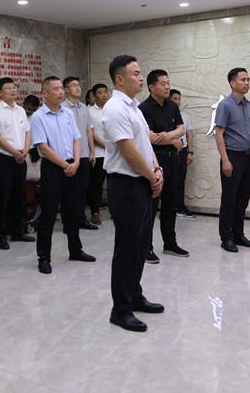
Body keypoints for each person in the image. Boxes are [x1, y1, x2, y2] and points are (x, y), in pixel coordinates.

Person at [101, 55, 164, 332]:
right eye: (136, 73)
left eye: (140, 72)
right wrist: (152, 177)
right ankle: (121, 310)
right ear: (119, 79)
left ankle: (135, 295)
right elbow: (129, 152)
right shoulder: (115, 108)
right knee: (127, 250)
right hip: (127, 185)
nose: (141, 77)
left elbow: (145, 145)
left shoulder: (134, 107)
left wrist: (157, 169)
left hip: (143, 181)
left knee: (140, 247)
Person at [31, 76, 96, 274]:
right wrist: (65, 165)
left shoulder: (67, 113)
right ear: (45, 93)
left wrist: (75, 162)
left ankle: (75, 250)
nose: (60, 92)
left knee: (74, 211)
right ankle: (44, 258)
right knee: (49, 214)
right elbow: (43, 147)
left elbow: (77, 139)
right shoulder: (39, 117)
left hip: (72, 166)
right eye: (56, 89)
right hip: (52, 168)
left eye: (61, 88)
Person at [139, 70, 188, 261]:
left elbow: (181, 129)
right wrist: (173, 139)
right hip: (155, 161)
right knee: (151, 206)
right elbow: (150, 137)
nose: (167, 87)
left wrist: (168, 136)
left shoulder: (172, 106)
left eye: (168, 83)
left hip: (173, 160)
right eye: (163, 84)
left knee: (170, 204)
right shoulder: (144, 108)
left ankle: (170, 243)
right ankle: (146, 248)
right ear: (152, 87)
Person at [212, 67, 250, 253]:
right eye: (243, 79)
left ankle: (238, 234)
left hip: (249, 157)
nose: (247, 83)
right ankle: (226, 237)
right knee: (229, 199)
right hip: (233, 156)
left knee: (243, 199)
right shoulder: (225, 105)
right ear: (233, 83)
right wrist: (225, 160)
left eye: (248, 79)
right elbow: (219, 133)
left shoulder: (249, 105)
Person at [0, 77, 34, 250]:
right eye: (8, 88)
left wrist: (25, 150)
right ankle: (0, 236)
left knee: (18, 197)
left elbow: (28, 132)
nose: (13, 90)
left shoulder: (21, 110)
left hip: (21, 159)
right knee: (2, 198)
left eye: (14, 87)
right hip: (5, 160)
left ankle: (18, 232)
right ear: (0, 92)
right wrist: (15, 152)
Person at [61, 76, 98, 230]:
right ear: (66, 90)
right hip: (68, 156)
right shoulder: (61, 107)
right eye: (73, 85)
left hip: (84, 154)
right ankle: (68, 222)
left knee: (83, 189)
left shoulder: (84, 107)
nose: (77, 88)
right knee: (69, 191)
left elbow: (88, 130)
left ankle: (81, 219)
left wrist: (92, 152)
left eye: (78, 85)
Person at [169, 89, 195, 218]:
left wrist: (190, 152)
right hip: (169, 152)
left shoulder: (184, 116)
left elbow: (189, 134)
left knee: (180, 181)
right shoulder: (165, 115)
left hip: (183, 152)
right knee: (169, 182)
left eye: (179, 98)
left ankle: (181, 207)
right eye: (175, 99)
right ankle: (168, 209)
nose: (178, 101)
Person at [87, 83, 109, 225]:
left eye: (105, 92)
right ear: (94, 96)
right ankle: (95, 212)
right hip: (99, 153)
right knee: (96, 185)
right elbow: (91, 133)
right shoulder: (90, 112)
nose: (104, 95)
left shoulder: (111, 109)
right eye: (100, 92)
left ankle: (116, 211)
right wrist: (106, 146)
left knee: (114, 184)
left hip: (114, 153)